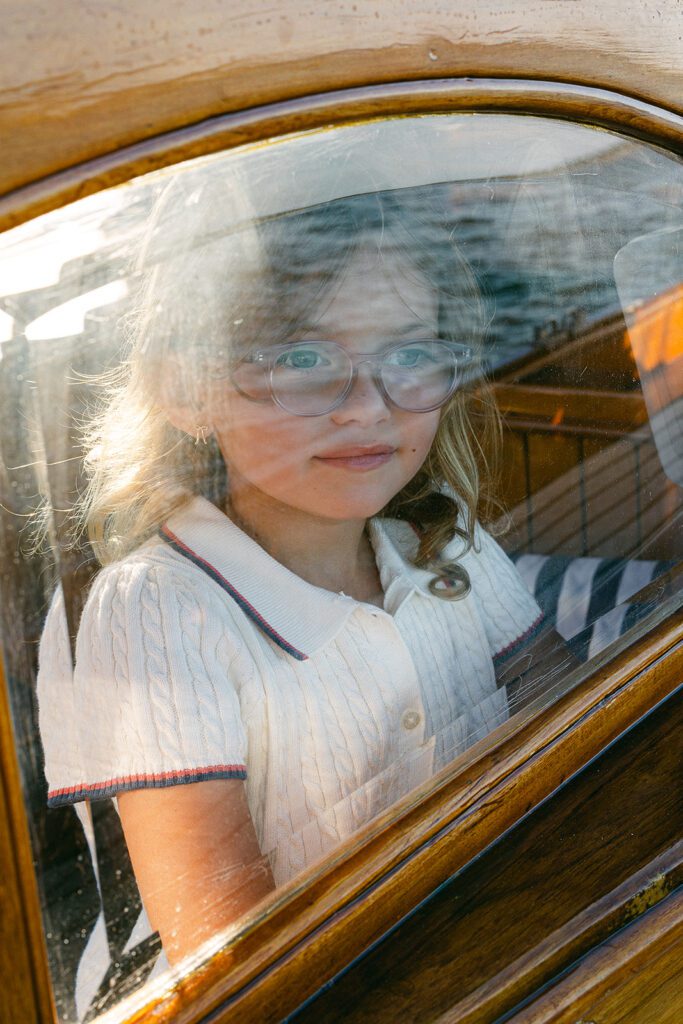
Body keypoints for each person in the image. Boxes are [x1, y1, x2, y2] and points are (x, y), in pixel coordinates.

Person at [37, 179, 566, 965]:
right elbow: (233, 958)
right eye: (305, 358)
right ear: (186, 391)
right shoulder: (158, 609)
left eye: (411, 353)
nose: (367, 406)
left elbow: (567, 741)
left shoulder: (442, 536)